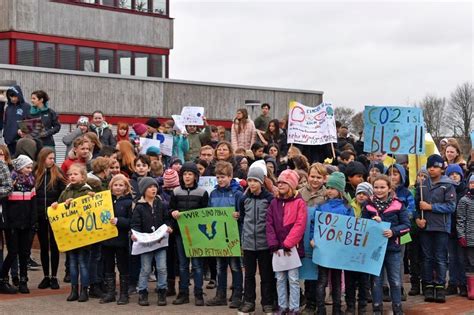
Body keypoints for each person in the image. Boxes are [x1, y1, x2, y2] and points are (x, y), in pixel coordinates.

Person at [363, 175, 410, 315]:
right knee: (376, 280)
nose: (379, 190)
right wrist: (373, 222)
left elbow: (406, 226)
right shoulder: (368, 205)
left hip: (393, 249)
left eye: (382, 187)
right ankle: (377, 308)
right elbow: (362, 225)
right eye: (376, 187)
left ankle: (397, 308)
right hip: (374, 249)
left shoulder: (398, 204)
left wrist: (393, 231)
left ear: (389, 188)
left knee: (395, 280)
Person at [310, 172, 353, 315]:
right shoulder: (321, 206)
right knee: (322, 280)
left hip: (338, 251)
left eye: (332, 188)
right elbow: (313, 224)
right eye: (327, 187)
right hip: (323, 249)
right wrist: (312, 238)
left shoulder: (347, 208)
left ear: (340, 190)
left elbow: (351, 227)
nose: (329, 190)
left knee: (336, 281)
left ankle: (337, 308)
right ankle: (320, 309)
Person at [415, 154, 456, 303]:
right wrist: (417, 219)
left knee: (440, 257)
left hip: (441, 227)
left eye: (436, 166)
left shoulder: (448, 184)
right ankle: (428, 285)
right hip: (426, 227)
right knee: (427, 258)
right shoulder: (422, 184)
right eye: (430, 166)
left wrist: (431, 207)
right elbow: (416, 205)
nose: (432, 169)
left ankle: (439, 285)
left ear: (442, 168)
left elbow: (451, 206)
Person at [51, 163, 94, 302]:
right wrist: (57, 205)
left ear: (83, 176)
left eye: (75, 174)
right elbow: (59, 207)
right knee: (73, 263)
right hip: (70, 234)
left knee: (83, 262)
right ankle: (74, 289)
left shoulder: (87, 191)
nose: (72, 176)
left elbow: (92, 208)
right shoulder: (65, 191)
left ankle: (84, 290)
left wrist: (79, 201)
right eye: (70, 174)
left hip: (83, 235)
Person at [267, 169, 307, 314]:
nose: (280, 185)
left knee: (293, 279)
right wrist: (273, 243)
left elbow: (299, 224)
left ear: (292, 185)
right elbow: (269, 224)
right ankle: (282, 305)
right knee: (279, 278)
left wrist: (288, 243)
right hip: (277, 248)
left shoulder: (299, 203)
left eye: (284, 182)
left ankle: (294, 307)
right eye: (279, 182)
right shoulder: (274, 203)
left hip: (292, 248)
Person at [169, 163, 209, 306]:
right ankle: (183, 293)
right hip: (181, 233)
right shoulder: (175, 192)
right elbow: (171, 209)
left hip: (197, 234)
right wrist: (172, 213)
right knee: (183, 265)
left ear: (195, 176)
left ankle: (198, 294)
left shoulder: (202, 192)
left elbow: (206, 214)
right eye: (185, 174)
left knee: (197, 265)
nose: (187, 176)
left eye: (190, 174)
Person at [238, 166, 276, 314]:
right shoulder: (244, 199)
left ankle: (267, 302)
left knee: (266, 275)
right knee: (249, 275)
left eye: (255, 181)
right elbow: (242, 217)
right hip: (248, 244)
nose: (252, 183)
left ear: (261, 182)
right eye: (250, 180)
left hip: (264, 244)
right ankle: (248, 301)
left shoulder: (269, 199)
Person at [205, 161, 244, 308]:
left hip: (233, 236)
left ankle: (237, 295)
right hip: (219, 236)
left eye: (223, 177)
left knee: (235, 266)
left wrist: (238, 215)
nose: (220, 180)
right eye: (218, 177)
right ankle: (220, 295)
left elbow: (244, 215)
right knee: (220, 266)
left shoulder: (238, 194)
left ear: (230, 176)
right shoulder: (213, 194)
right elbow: (209, 213)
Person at [131, 177, 172, 306]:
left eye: (155, 186)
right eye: (150, 187)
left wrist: (169, 226)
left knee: (162, 268)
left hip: (160, 243)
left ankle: (162, 291)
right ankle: (143, 292)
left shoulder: (161, 203)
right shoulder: (139, 207)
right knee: (145, 269)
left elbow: (166, 218)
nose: (153, 189)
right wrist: (134, 234)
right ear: (143, 190)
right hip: (145, 244)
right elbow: (135, 224)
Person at [0, 155, 35, 294]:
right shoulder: (11, 182)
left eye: (31, 167)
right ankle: (2, 277)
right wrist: (8, 223)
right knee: (13, 252)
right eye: (27, 167)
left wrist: (33, 221)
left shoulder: (31, 182)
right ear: (19, 167)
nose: (30, 170)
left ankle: (23, 280)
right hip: (12, 224)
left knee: (25, 253)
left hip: (26, 223)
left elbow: (33, 202)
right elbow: (5, 205)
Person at [35, 148, 66, 290]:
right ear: (43, 159)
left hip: (55, 215)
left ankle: (54, 277)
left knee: (54, 246)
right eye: (50, 158)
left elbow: (64, 193)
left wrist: (58, 204)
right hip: (40, 214)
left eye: (53, 158)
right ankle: (46, 276)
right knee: (43, 246)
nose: (52, 161)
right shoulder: (36, 173)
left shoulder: (58, 173)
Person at [298, 163, 327, 314]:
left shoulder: (327, 195)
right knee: (304, 270)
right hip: (302, 237)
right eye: (312, 176)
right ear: (308, 176)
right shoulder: (299, 193)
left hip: (320, 238)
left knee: (317, 272)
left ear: (324, 178)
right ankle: (305, 300)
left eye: (318, 177)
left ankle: (315, 302)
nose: (315, 180)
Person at [346, 182, 373, 315]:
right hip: (350, 248)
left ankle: (362, 305)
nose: (361, 196)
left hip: (365, 249)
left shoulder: (372, 208)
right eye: (359, 193)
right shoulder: (349, 206)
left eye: (365, 194)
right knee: (349, 278)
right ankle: (350, 305)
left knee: (363, 279)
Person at [445, 164, 468, 296]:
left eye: (456, 174)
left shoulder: (465, 191)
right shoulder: (447, 190)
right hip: (450, 229)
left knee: (461, 258)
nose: (454, 176)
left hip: (463, 231)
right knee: (451, 258)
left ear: (461, 175)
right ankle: (453, 283)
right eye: (451, 174)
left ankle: (463, 283)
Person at [456, 175, 474, 299]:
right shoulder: (464, 200)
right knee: (470, 263)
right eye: (472, 183)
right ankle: (471, 289)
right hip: (470, 238)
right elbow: (460, 219)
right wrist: (461, 235)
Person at [3, 85, 31, 155]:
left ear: (19, 95)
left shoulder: (26, 107)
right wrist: (5, 136)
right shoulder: (8, 108)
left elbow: (29, 122)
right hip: (9, 142)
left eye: (15, 96)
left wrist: (23, 131)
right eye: (11, 96)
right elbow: (5, 123)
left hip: (20, 141)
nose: (13, 98)